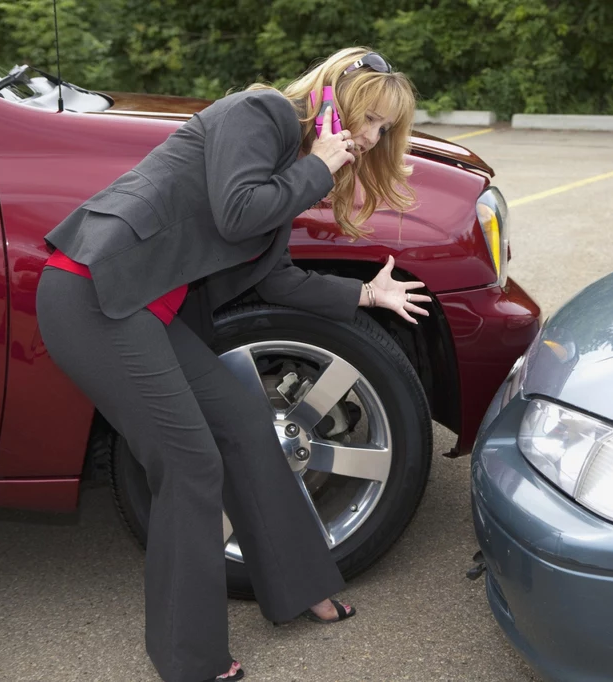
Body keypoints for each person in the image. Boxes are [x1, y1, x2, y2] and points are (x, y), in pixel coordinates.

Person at [34, 47, 430, 682]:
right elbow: (236, 209)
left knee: (246, 422)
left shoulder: (287, 164)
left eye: (384, 129)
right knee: (190, 463)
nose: (373, 137)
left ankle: (299, 585)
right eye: (374, 120)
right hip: (92, 296)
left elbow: (276, 280)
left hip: (137, 311)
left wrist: (365, 295)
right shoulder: (261, 112)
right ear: (336, 103)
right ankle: (189, 660)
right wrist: (320, 170)